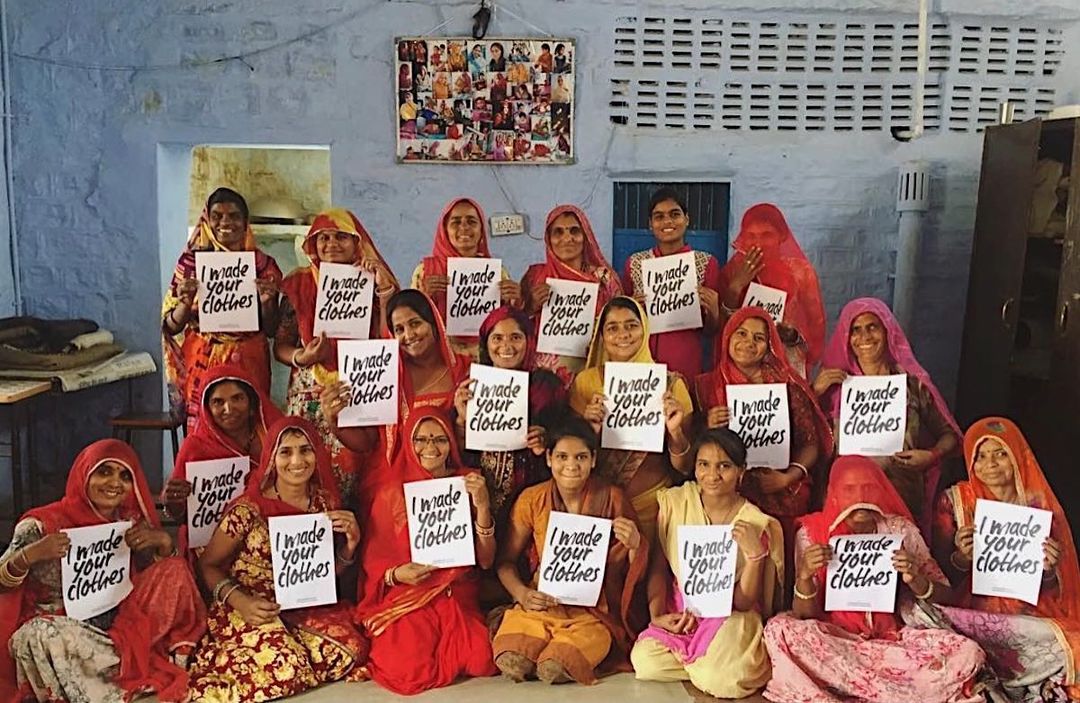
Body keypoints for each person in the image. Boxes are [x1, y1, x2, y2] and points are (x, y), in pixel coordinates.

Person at [763, 456, 986, 703]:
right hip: (835, 642)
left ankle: (855, 689)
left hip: (891, 643)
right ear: (833, 493)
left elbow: (945, 594)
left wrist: (916, 580)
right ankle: (895, 693)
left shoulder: (899, 530)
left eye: (867, 488)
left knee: (968, 652)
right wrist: (805, 575)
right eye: (849, 489)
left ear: (880, 490)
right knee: (779, 629)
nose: (860, 498)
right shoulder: (813, 532)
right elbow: (804, 615)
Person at [0, 440, 206, 703]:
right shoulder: (40, 524)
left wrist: (164, 545)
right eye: (104, 472)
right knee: (38, 635)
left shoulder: (127, 521)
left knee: (176, 569)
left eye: (125, 476)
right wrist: (31, 555)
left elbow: (158, 579)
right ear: (84, 474)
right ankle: (107, 679)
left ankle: (114, 665)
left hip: (118, 625)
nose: (114, 483)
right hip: (67, 628)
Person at [187, 417, 369, 701]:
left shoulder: (324, 503)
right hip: (251, 606)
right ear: (272, 456)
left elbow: (320, 574)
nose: (297, 461)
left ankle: (292, 648)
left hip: (301, 607)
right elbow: (207, 564)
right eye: (286, 451)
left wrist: (350, 546)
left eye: (305, 450)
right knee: (284, 669)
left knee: (350, 649)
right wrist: (242, 602)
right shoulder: (248, 510)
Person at [917, 417, 1079, 701]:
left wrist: (1051, 570)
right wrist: (961, 559)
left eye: (1001, 453)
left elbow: (1058, 588)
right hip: (972, 611)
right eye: (981, 456)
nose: (990, 464)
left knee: (1076, 644)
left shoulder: (1040, 506)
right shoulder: (954, 501)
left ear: (1018, 456)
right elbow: (939, 575)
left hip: (1029, 612)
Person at [491, 417, 647, 684]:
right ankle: (541, 638)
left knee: (557, 664)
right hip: (543, 604)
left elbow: (636, 566)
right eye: (562, 456)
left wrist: (635, 544)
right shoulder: (533, 498)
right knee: (513, 654)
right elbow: (505, 561)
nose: (572, 466)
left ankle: (561, 649)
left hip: (594, 612)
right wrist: (522, 593)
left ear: (593, 459)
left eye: (581, 457)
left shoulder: (613, 497)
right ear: (549, 458)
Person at [631, 428, 784, 698]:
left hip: (731, 615)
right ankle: (706, 664)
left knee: (727, 681)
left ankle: (711, 664)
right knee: (645, 662)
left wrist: (755, 555)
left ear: (741, 471)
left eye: (724, 466)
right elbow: (659, 567)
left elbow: (745, 602)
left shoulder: (755, 521)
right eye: (703, 465)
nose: (712, 476)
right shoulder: (676, 502)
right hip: (686, 613)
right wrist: (658, 616)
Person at [356, 408, 499, 693]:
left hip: (456, 591)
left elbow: (485, 560)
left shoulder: (469, 483)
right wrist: (398, 574)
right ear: (408, 443)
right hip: (409, 591)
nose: (430, 448)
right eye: (420, 439)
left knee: (482, 660)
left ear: (451, 444)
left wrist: (482, 506)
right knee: (408, 672)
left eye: (439, 439)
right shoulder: (390, 493)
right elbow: (374, 563)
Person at [695, 307, 833, 587]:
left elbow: (810, 444)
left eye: (759, 337)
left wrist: (787, 477)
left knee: (780, 573)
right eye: (741, 333)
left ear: (770, 343)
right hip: (726, 495)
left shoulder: (787, 384)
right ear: (727, 336)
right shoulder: (704, 386)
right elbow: (691, 448)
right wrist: (708, 426)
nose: (748, 342)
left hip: (782, 491)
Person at [275, 208, 399, 499]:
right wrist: (301, 358)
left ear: (358, 242)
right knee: (307, 462)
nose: (331, 244)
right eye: (323, 238)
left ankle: (352, 533)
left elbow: (389, 338)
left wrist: (384, 291)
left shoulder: (374, 279)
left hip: (361, 385)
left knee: (357, 463)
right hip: (310, 392)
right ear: (312, 245)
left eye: (341, 237)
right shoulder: (300, 283)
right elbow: (280, 345)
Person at [815, 298, 961, 535]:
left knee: (902, 563)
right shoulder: (834, 385)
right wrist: (814, 393)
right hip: (849, 504)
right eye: (856, 330)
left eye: (872, 326)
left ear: (888, 331)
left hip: (902, 493)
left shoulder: (912, 384)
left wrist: (932, 455)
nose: (865, 337)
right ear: (846, 337)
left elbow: (949, 435)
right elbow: (804, 437)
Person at [321, 289, 471, 497]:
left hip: (450, 478)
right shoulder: (386, 373)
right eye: (399, 329)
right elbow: (367, 442)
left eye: (415, 323)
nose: (409, 335)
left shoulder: (465, 370)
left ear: (434, 322)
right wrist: (334, 419)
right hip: (394, 482)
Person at [570, 297, 695, 542]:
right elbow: (572, 455)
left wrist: (676, 432)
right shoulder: (585, 382)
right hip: (598, 505)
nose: (623, 334)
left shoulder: (672, 385)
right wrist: (587, 429)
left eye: (631, 325)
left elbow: (686, 466)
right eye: (612, 328)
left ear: (645, 329)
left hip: (654, 505)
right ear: (602, 337)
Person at [162, 187, 282, 432]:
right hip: (202, 360)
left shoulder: (263, 266)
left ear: (245, 222)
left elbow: (271, 329)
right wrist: (185, 302)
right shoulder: (190, 264)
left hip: (249, 360)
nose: (225, 222)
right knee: (204, 429)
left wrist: (268, 302)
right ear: (207, 220)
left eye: (234, 216)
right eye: (217, 216)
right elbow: (171, 326)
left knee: (250, 428)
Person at [454, 307, 569, 531]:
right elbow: (456, 454)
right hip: (480, 498)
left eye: (516, 337)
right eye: (497, 338)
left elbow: (569, 440)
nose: (506, 346)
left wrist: (547, 441)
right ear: (485, 343)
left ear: (529, 340)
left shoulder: (546, 386)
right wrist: (461, 419)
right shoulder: (471, 386)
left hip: (534, 498)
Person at [162, 364, 285, 554]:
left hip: (270, 531)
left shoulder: (273, 434)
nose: (229, 408)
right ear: (207, 409)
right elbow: (182, 515)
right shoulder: (195, 447)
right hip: (213, 540)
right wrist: (173, 499)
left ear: (252, 404)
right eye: (218, 402)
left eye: (237, 398)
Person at [621, 187, 722, 381]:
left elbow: (711, 331)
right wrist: (632, 306)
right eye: (659, 217)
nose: (667, 221)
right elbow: (621, 317)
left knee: (682, 409)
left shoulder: (706, 263)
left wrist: (714, 311)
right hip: (641, 359)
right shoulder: (635, 263)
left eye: (675, 214)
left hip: (686, 360)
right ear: (650, 224)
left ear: (687, 219)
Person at [719, 203, 827, 375]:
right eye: (751, 236)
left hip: (787, 364)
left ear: (782, 236)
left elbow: (816, 326)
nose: (758, 243)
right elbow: (722, 326)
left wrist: (792, 335)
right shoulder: (732, 271)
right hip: (743, 364)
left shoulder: (801, 272)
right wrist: (736, 286)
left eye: (766, 235)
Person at [521, 204, 623, 380]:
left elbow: (621, 320)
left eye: (574, 231)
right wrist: (530, 307)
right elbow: (515, 326)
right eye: (558, 232)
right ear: (548, 239)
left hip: (593, 371)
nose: (567, 238)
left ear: (585, 236)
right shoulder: (534, 277)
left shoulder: (603, 278)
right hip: (544, 377)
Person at [411, 198, 521, 359]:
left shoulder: (497, 272)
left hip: (486, 359)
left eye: (472, 221)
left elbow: (511, 321)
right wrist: (423, 297)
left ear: (481, 229)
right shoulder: (425, 271)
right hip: (440, 360)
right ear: (445, 230)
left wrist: (513, 300)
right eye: (456, 222)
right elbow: (409, 321)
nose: (464, 227)